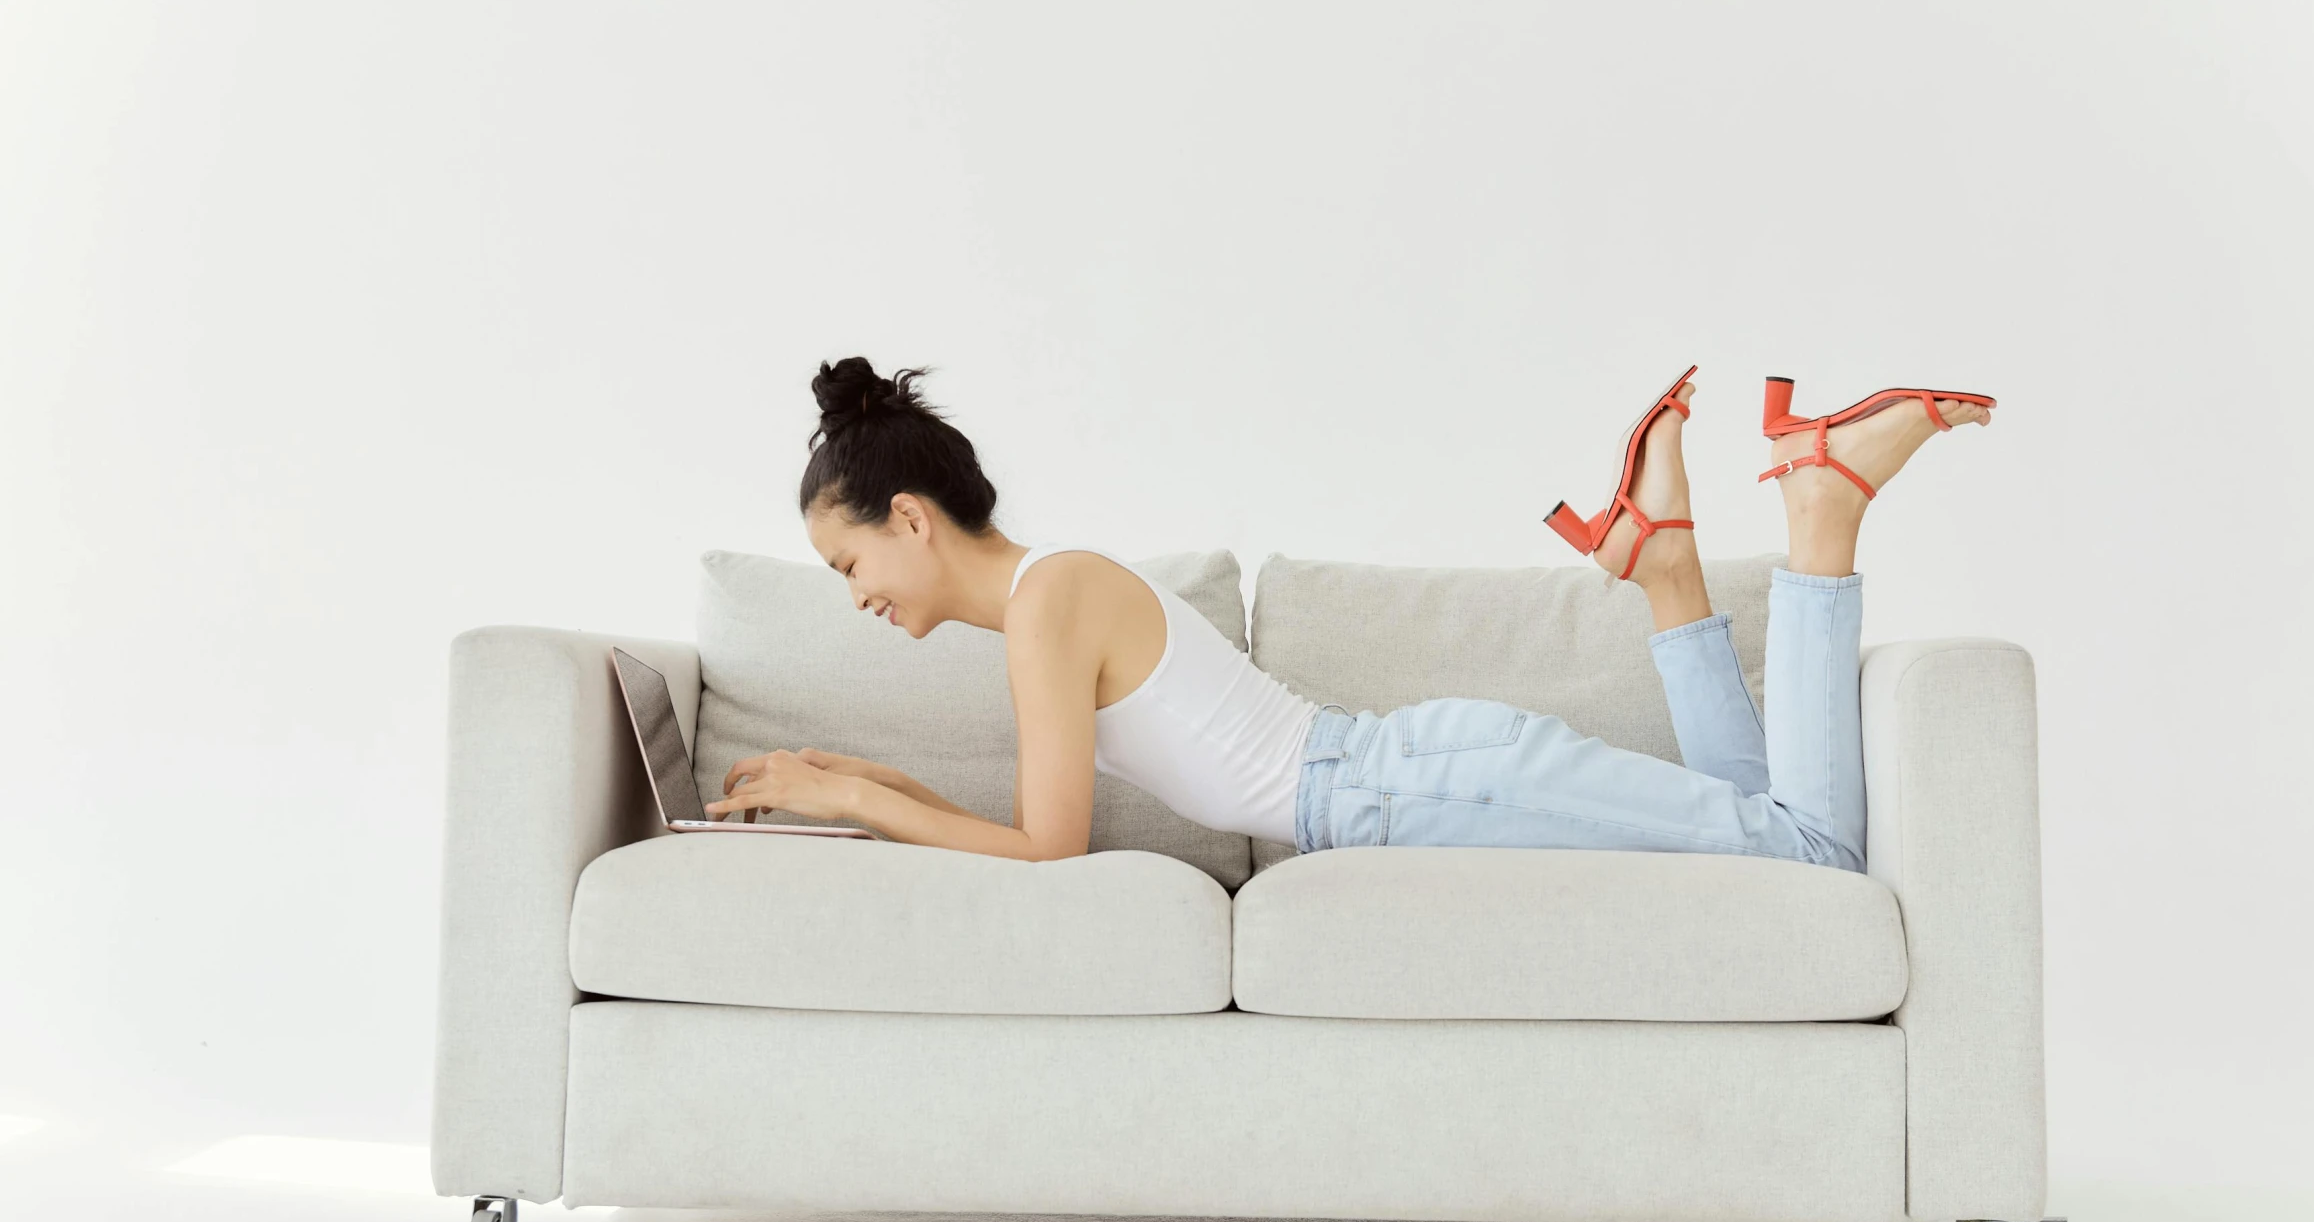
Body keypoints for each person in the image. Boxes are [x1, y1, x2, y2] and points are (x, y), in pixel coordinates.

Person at [704, 356, 1995, 870]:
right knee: (1765, 851)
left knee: (1810, 856)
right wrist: (839, 772)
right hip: (1417, 774)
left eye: (846, 562)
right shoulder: (1056, 593)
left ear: (911, 517)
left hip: (1414, 792)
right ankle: (1662, 571)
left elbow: (1048, 848)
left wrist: (863, 803)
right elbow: (1027, 823)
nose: (856, 595)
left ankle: (1819, 513)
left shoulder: (1052, 607)